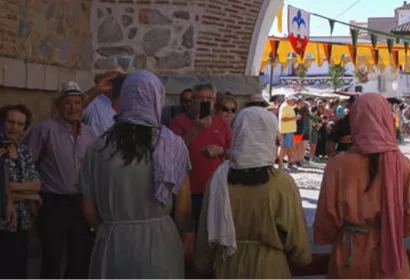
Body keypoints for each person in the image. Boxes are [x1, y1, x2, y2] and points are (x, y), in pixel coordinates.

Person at [77, 71, 191, 279]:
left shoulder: (97, 147)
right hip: (161, 241)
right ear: (158, 99)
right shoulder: (172, 146)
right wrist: (178, 234)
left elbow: (87, 209)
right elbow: (182, 208)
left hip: (112, 240)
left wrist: (108, 229)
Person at [313, 93, 410, 280]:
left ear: (355, 120)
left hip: (348, 255)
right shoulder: (403, 165)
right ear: (386, 119)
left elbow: (326, 219)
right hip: (391, 255)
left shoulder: (337, 165)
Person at [195, 107, 312, 279]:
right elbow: (296, 236)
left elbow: (206, 230)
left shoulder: (219, 179)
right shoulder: (281, 183)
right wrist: (301, 257)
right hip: (269, 268)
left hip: (228, 266)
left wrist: (203, 264)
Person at [25, 81, 97, 280]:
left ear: (82, 106)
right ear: (58, 106)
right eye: (67, 102)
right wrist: (31, 197)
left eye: (77, 102)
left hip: (81, 203)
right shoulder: (44, 130)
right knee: (51, 257)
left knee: (79, 258)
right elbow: (28, 162)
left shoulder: (89, 134)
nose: (72, 107)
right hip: (52, 203)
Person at [169, 83, 232, 254]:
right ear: (192, 101)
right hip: (186, 190)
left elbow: (233, 151)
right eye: (200, 98)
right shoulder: (178, 122)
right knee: (186, 240)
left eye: (209, 99)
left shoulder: (221, 123)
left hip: (213, 189)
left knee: (210, 239)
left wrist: (222, 151)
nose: (205, 102)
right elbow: (172, 152)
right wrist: (195, 130)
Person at [0, 104, 41, 280]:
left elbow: (37, 185)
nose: (14, 127)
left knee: (18, 271)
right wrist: (26, 192)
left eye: (19, 124)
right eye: (10, 122)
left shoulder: (24, 151)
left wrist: (10, 187)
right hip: (2, 222)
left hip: (23, 222)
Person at [278, 94, 299, 169]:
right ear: (289, 100)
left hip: (288, 130)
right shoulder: (285, 107)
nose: (294, 101)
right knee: (284, 148)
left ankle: (288, 163)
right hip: (286, 131)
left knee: (287, 147)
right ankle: (281, 165)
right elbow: (283, 119)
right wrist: (295, 118)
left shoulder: (288, 106)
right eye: (293, 100)